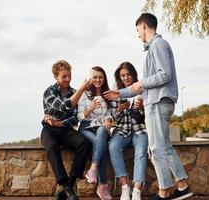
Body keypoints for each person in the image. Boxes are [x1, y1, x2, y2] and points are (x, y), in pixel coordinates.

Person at [104, 13, 193, 200]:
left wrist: (142, 82)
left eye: (137, 30)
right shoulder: (153, 48)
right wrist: (119, 93)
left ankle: (164, 192)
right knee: (164, 147)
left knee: (155, 149)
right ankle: (182, 186)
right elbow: (141, 88)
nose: (138, 34)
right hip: (157, 102)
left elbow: (164, 75)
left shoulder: (158, 45)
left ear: (144, 25)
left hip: (159, 103)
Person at [41, 59, 92, 200]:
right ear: (56, 77)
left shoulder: (75, 92)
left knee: (84, 143)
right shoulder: (49, 92)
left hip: (66, 129)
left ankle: (71, 181)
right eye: (64, 76)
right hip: (49, 130)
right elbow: (65, 106)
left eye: (69, 75)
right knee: (51, 146)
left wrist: (60, 123)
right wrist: (81, 91)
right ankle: (65, 185)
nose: (68, 79)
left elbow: (76, 118)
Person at [108, 62, 148, 200]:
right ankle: (125, 187)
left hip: (139, 130)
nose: (126, 78)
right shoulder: (115, 93)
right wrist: (119, 110)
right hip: (122, 129)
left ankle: (137, 190)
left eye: (128, 74)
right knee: (113, 147)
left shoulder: (141, 89)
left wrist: (143, 107)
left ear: (133, 74)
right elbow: (112, 116)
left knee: (141, 151)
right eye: (122, 75)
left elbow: (149, 115)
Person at [77, 66, 113, 200]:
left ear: (104, 79)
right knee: (102, 145)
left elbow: (111, 114)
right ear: (90, 79)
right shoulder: (84, 94)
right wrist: (90, 108)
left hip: (101, 127)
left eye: (101, 77)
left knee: (102, 132)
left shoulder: (107, 94)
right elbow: (79, 117)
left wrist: (109, 120)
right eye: (95, 77)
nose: (98, 80)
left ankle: (92, 169)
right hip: (86, 127)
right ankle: (103, 185)